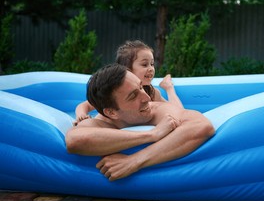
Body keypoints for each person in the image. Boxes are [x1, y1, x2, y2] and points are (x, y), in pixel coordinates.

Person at [65, 63, 215, 181]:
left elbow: (202, 126)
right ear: (111, 112)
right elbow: (74, 141)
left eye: (141, 87)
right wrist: (152, 135)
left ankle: (169, 89)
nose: (147, 98)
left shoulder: (156, 110)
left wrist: (134, 161)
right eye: (133, 96)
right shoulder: (100, 123)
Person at [74, 40, 183, 125]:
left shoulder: (152, 92)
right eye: (145, 64)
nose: (151, 69)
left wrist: (169, 90)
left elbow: (179, 112)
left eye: (152, 64)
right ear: (126, 69)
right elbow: (84, 106)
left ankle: (168, 87)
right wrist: (82, 116)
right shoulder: (114, 92)